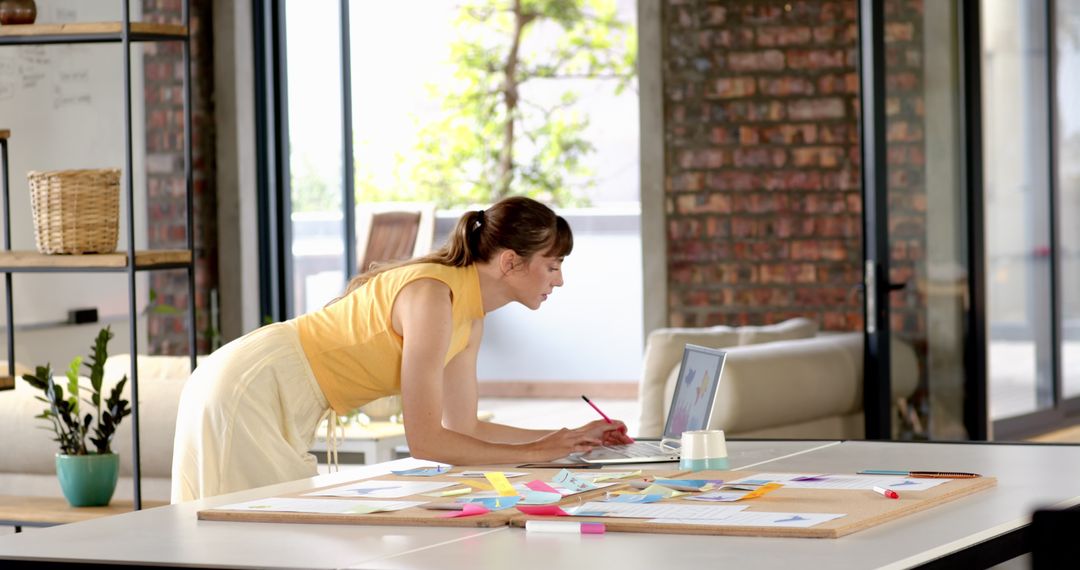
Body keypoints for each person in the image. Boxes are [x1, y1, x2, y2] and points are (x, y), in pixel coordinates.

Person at [171, 196, 633, 502]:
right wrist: (540, 452)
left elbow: (464, 427)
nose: (560, 280)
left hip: (273, 390)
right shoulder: (433, 297)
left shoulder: (469, 316)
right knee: (252, 537)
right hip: (253, 385)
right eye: (553, 265)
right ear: (511, 262)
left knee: (261, 536)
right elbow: (427, 442)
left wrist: (569, 438)